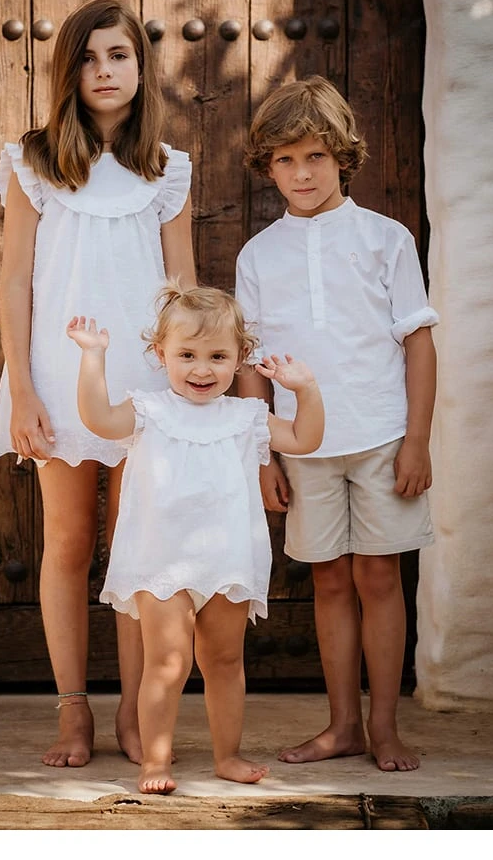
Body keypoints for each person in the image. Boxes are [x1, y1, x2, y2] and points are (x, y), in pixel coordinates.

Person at [0, 0, 196, 769]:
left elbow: (183, 289)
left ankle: (137, 713)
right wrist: (23, 390)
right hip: (58, 375)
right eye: (88, 58)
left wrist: (186, 391)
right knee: (69, 541)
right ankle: (73, 708)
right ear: (67, 72)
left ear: (141, 66)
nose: (104, 70)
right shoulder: (33, 162)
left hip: (146, 385)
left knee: (136, 545)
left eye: (119, 55)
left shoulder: (167, 170)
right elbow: (14, 281)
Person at [235, 75, 439, 772]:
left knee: (379, 578)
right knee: (327, 580)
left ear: (343, 157)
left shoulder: (386, 239)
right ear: (268, 167)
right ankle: (343, 725)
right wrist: (263, 454)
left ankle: (384, 726)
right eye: (286, 160)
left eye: (315, 156)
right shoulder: (258, 255)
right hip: (301, 443)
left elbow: (418, 343)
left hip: (382, 437)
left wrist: (417, 441)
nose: (302, 173)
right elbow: (252, 365)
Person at [66, 282, 325, 794]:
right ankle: (154, 760)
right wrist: (93, 357)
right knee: (168, 662)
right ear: (160, 353)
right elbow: (98, 419)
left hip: (227, 560)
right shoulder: (148, 409)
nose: (202, 369)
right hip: (162, 560)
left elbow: (305, 438)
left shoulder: (246, 416)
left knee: (224, 661)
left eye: (217, 356)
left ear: (240, 358)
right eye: (187, 355)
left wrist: (307, 389)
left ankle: (227, 755)